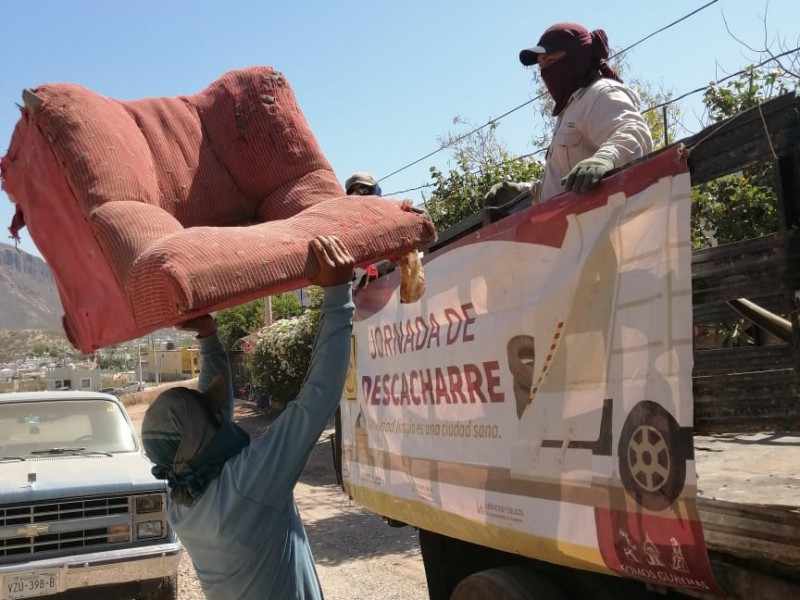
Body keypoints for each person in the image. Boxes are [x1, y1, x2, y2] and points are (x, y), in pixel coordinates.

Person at [141, 235, 356, 600]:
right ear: (204, 435)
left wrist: (209, 338)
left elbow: (210, 418)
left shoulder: (180, 500)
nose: (221, 417)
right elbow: (315, 400)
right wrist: (338, 297)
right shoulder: (247, 485)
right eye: (211, 418)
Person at [485, 22, 653, 207]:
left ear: (577, 56)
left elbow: (634, 131)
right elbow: (567, 179)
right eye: (541, 66)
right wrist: (528, 192)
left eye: (550, 62)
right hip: (571, 231)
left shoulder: (600, 94)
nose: (545, 73)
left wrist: (604, 159)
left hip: (599, 230)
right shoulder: (571, 108)